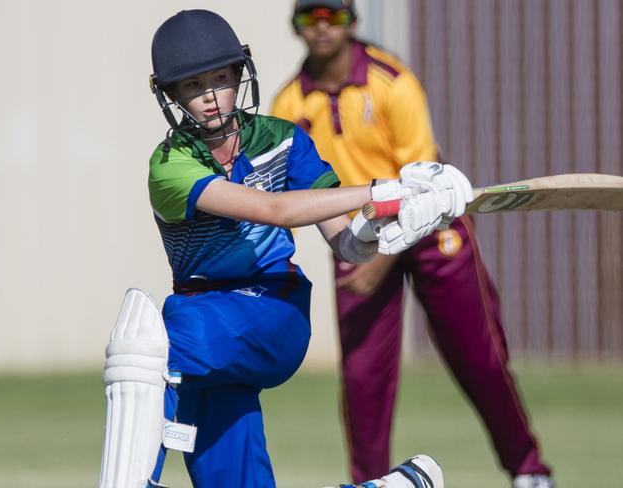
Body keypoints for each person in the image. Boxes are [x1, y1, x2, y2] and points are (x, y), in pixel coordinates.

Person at [98, 8, 472, 488]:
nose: (211, 97)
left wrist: (397, 220)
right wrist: (385, 191)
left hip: (273, 313)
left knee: (152, 342)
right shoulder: (170, 166)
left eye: (220, 78)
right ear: (171, 95)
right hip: (209, 334)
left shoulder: (285, 140)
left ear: (239, 75)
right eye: (193, 86)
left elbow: (350, 247)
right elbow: (276, 211)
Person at [271, 2, 554, 488]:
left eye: (333, 17)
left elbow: (423, 192)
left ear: (352, 23)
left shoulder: (392, 81)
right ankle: (371, 482)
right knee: (363, 380)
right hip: (357, 237)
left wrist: (381, 259)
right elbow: (296, 196)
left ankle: (528, 471)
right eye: (309, 18)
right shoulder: (290, 104)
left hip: (430, 227)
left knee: (478, 357)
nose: (321, 28)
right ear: (296, 27)